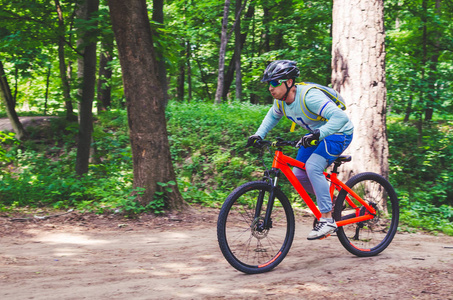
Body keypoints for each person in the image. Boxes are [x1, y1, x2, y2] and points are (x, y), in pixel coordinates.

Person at [247, 60, 354, 240]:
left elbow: (340, 118)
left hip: (339, 132)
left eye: (274, 83)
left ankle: (327, 220)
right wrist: (259, 135)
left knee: (313, 167)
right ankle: (334, 203)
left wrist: (319, 134)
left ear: (289, 82)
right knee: (299, 173)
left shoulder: (309, 97)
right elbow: (272, 116)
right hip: (316, 135)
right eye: (268, 84)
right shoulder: (280, 101)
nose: (270, 88)